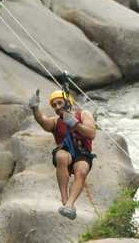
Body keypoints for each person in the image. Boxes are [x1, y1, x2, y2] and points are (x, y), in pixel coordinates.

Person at [28, 89, 97, 220]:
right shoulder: (55, 121)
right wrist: (35, 109)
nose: (57, 107)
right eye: (54, 105)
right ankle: (65, 200)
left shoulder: (83, 114)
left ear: (67, 102)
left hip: (82, 153)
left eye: (59, 103)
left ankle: (70, 205)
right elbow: (43, 121)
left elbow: (91, 133)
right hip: (65, 152)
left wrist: (76, 125)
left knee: (81, 170)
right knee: (61, 157)